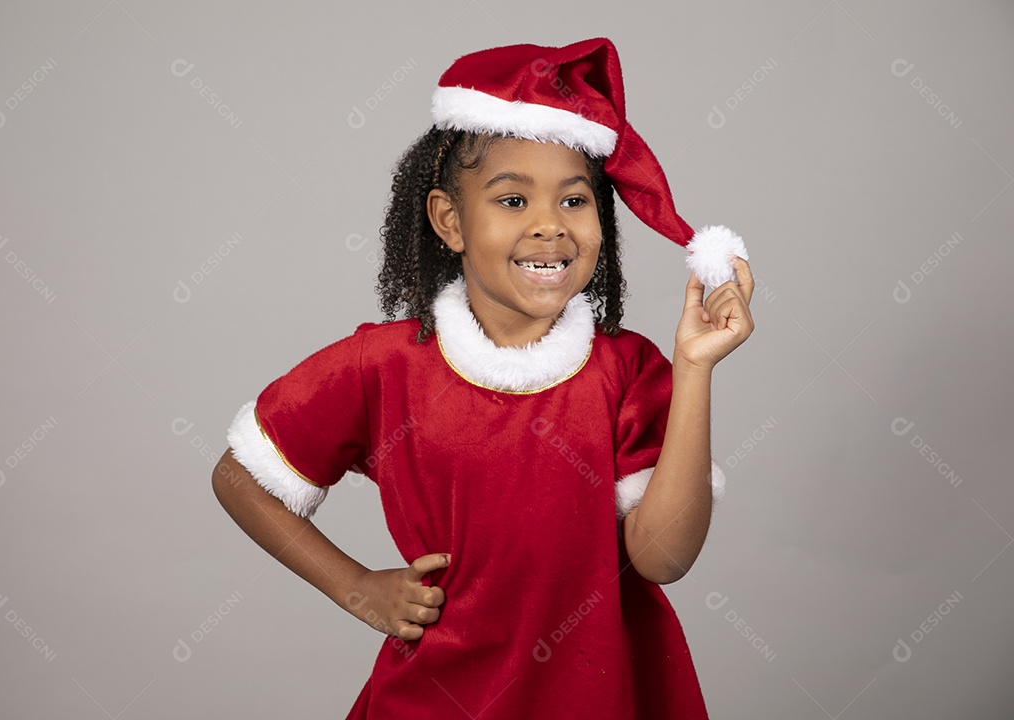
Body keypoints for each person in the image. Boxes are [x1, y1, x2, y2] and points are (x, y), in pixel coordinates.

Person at [212, 37, 754, 719]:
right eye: (513, 200)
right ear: (450, 221)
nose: (549, 227)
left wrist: (695, 368)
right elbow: (240, 478)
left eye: (575, 201)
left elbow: (663, 560)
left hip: (599, 694)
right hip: (442, 697)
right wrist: (357, 587)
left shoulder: (629, 370)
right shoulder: (383, 364)